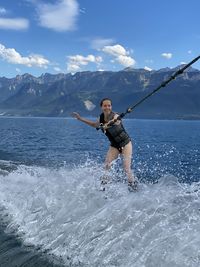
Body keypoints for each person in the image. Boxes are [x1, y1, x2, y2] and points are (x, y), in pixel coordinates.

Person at [72, 98, 138, 192]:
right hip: (114, 145)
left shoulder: (116, 116)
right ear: (101, 107)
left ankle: (133, 188)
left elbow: (114, 121)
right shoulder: (101, 118)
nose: (107, 107)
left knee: (126, 168)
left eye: (109, 105)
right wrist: (80, 118)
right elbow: (95, 125)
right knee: (106, 166)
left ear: (111, 106)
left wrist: (106, 125)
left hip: (126, 143)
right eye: (105, 105)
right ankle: (103, 187)